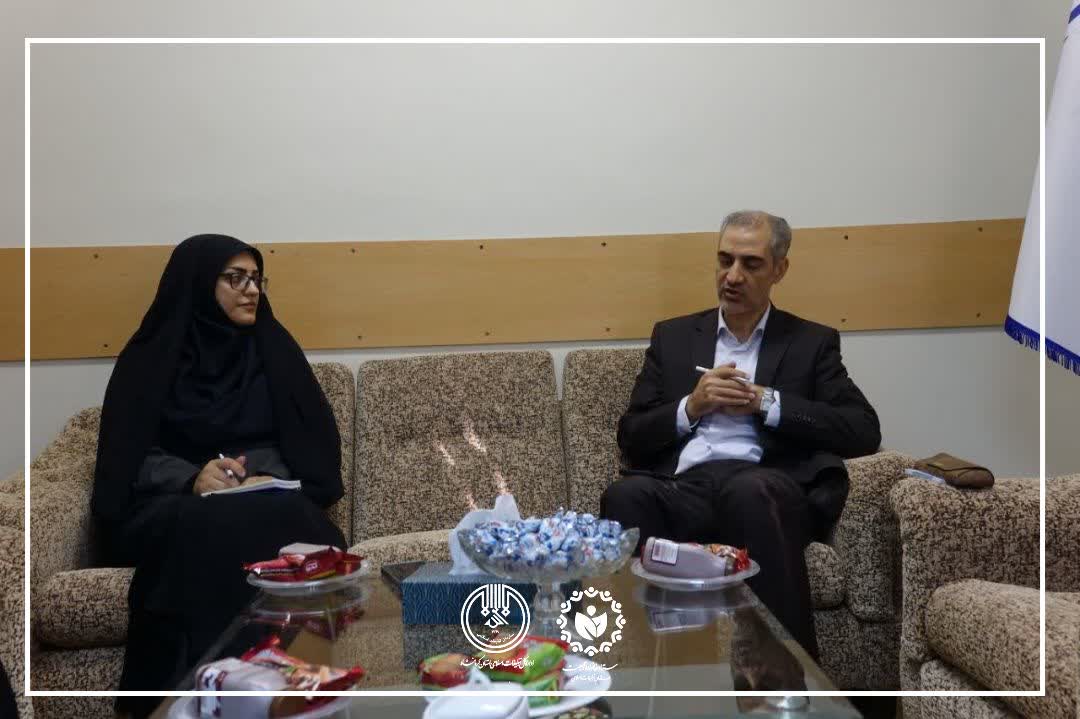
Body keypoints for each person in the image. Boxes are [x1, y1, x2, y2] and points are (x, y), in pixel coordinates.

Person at [600, 210, 880, 659]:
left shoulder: (810, 342)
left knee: (749, 492)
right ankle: (648, 668)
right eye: (724, 260)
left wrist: (767, 403)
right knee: (625, 496)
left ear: (779, 269)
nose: (732, 276)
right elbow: (631, 434)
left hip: (764, 483)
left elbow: (863, 429)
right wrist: (692, 406)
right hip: (685, 486)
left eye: (750, 264)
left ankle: (787, 674)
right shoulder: (673, 337)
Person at [91, 234, 346, 717]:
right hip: (170, 502)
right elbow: (127, 456)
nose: (251, 290)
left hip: (260, 496)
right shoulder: (151, 358)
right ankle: (210, 693)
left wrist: (257, 475)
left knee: (295, 521)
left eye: (257, 279)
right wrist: (192, 477)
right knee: (211, 524)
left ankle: (298, 691)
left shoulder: (274, 351)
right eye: (235, 279)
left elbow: (305, 446)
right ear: (198, 285)